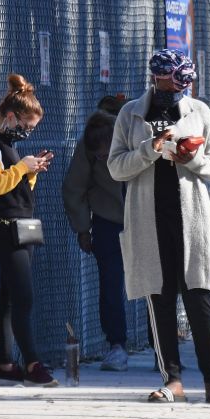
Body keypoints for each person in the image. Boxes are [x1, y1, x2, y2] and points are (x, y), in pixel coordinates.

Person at [108, 49, 210, 405]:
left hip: (191, 218)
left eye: (180, 83)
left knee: (199, 296)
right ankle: (172, 379)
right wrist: (150, 149)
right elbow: (116, 167)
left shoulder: (200, 112)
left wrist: (191, 157)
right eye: (167, 81)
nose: (173, 89)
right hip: (148, 219)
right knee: (159, 297)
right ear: (155, 77)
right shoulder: (131, 113)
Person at [0, 74, 57, 387]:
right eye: (26, 125)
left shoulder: (7, 145)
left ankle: (6, 363)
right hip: (3, 228)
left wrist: (31, 173)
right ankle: (32, 362)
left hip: (20, 226)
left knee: (9, 298)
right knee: (23, 297)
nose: (27, 132)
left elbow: (15, 189)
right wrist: (22, 167)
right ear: (10, 116)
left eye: (32, 128)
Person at [63, 99, 129, 371]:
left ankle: (163, 346)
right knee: (111, 286)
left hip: (144, 220)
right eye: (99, 158)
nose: (104, 160)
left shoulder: (134, 137)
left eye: (106, 155)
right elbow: (74, 188)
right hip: (108, 222)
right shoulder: (87, 149)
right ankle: (116, 345)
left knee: (155, 287)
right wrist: (83, 228)